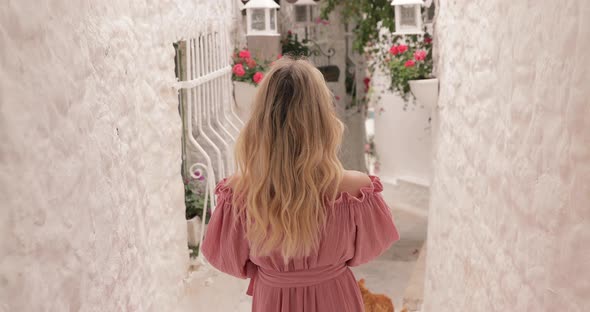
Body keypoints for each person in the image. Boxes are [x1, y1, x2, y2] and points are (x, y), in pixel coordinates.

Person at [201, 57, 399, 312]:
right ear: (322, 118)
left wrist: (277, 270)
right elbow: (366, 252)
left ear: (261, 120)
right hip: (336, 299)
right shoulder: (356, 191)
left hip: (272, 299)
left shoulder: (239, 193)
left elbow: (230, 260)